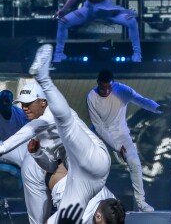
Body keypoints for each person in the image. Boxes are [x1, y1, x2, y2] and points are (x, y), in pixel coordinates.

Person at [28, 44, 111, 223]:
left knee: (67, 120)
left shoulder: (107, 208)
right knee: (66, 121)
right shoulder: (78, 215)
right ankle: (43, 78)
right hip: (88, 172)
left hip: (90, 171)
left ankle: (43, 78)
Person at [86, 69, 164, 212]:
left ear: (113, 84)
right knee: (90, 166)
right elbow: (99, 127)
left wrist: (157, 108)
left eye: (109, 87)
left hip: (121, 134)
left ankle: (141, 203)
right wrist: (117, 147)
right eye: (103, 88)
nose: (106, 91)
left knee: (134, 162)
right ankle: (88, 202)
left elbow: (141, 100)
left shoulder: (121, 90)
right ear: (98, 84)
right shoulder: (91, 97)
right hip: (98, 135)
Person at [0, 83, 66, 224]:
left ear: (43, 102)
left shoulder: (53, 116)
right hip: (30, 150)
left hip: (40, 162)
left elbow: (27, 131)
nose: (25, 108)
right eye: (23, 104)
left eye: (29, 103)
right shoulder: (29, 115)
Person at [27, 138, 120, 224]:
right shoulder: (79, 214)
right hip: (37, 170)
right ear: (98, 216)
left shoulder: (112, 203)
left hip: (56, 155)